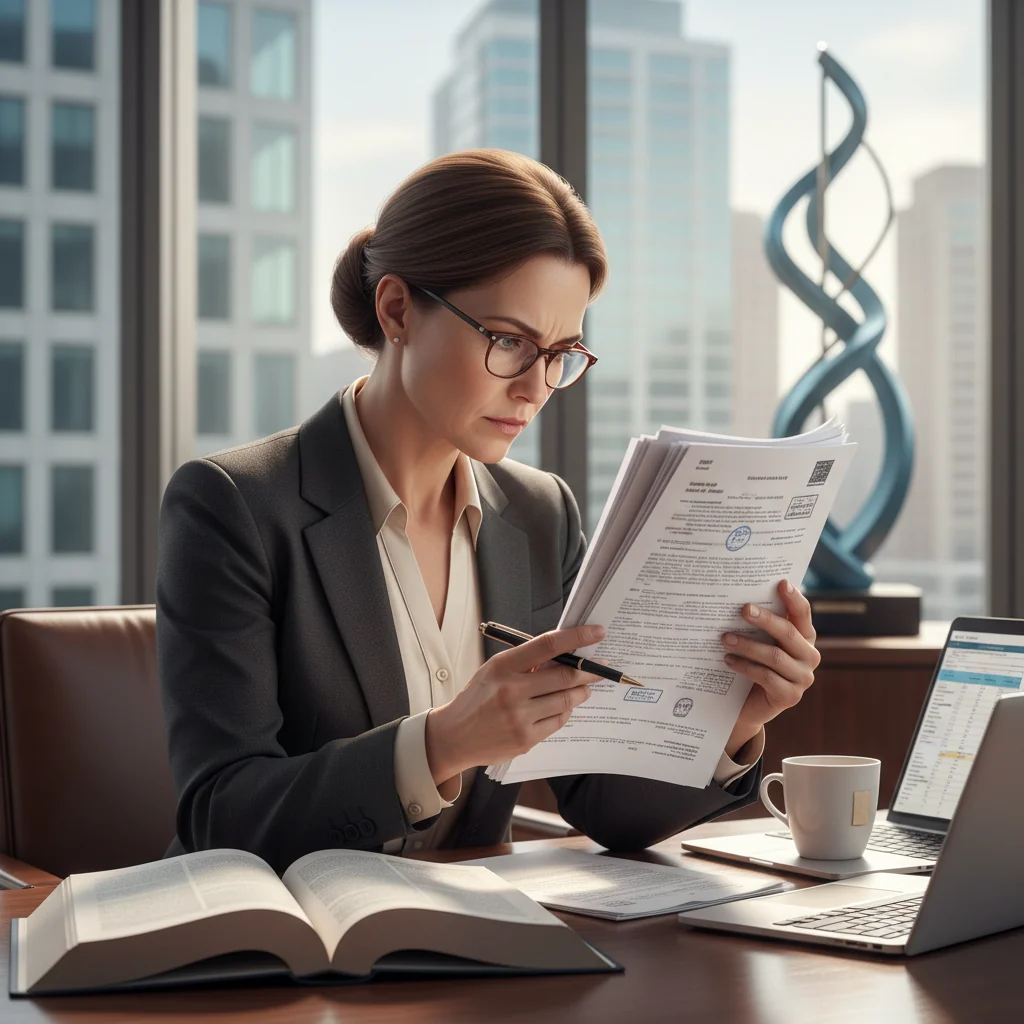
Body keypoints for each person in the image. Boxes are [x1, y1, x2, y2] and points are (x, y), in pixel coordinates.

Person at [157, 149, 821, 875]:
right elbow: (220, 813)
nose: (535, 387)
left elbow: (602, 804)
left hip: (474, 931)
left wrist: (732, 720)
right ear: (397, 309)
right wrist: (441, 744)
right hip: (284, 933)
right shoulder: (234, 505)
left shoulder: (540, 513)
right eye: (509, 341)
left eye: (560, 352)